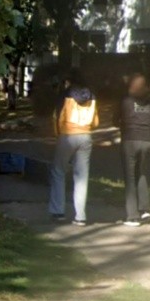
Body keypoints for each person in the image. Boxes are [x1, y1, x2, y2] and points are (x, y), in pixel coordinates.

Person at [49, 73, 100, 226]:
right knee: (81, 177)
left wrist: (58, 134)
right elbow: (96, 121)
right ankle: (80, 216)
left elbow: (56, 117)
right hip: (86, 136)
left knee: (58, 172)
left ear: (69, 81)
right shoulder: (92, 95)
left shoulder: (65, 94)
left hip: (67, 135)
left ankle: (58, 212)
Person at [115, 73, 150, 227]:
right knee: (142, 172)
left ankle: (132, 216)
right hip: (147, 140)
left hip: (130, 139)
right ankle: (145, 208)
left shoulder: (125, 101)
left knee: (130, 177)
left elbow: (115, 119)